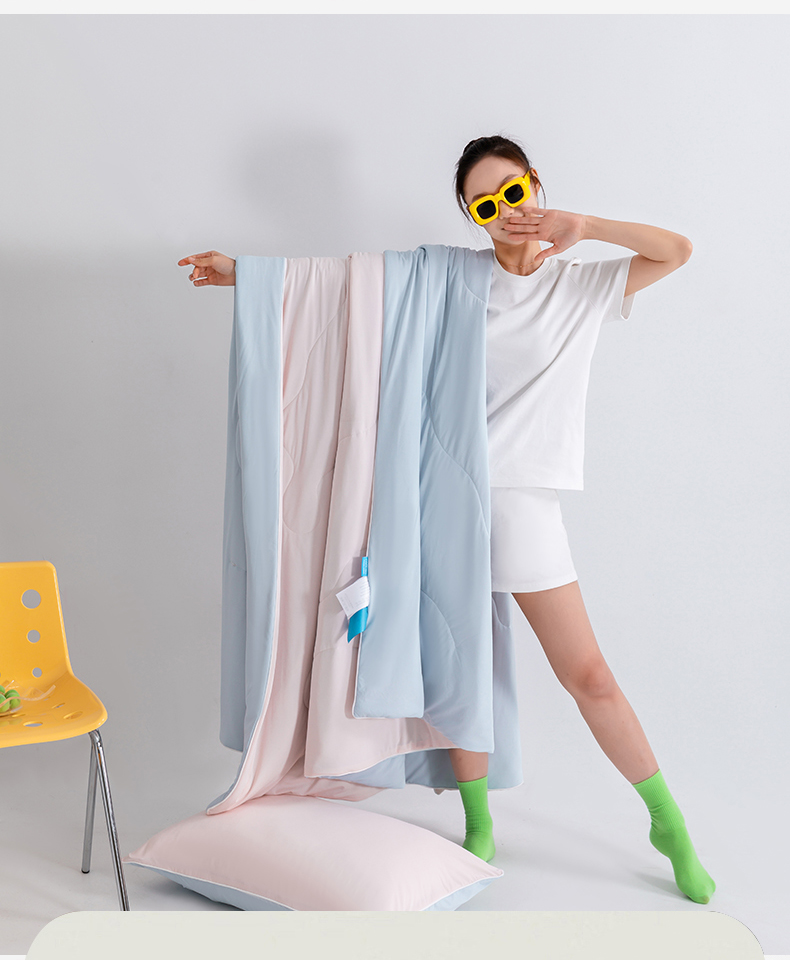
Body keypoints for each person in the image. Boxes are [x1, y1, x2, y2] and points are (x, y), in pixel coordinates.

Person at [177, 134, 715, 905]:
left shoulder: (581, 287)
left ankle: (667, 823)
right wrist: (247, 275)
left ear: (536, 185)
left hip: (523, 507)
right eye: (485, 204)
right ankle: (479, 824)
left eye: (514, 192)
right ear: (471, 215)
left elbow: (678, 251)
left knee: (589, 676)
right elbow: (347, 287)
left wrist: (584, 225)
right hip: (441, 501)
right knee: (463, 673)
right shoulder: (447, 278)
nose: (506, 211)